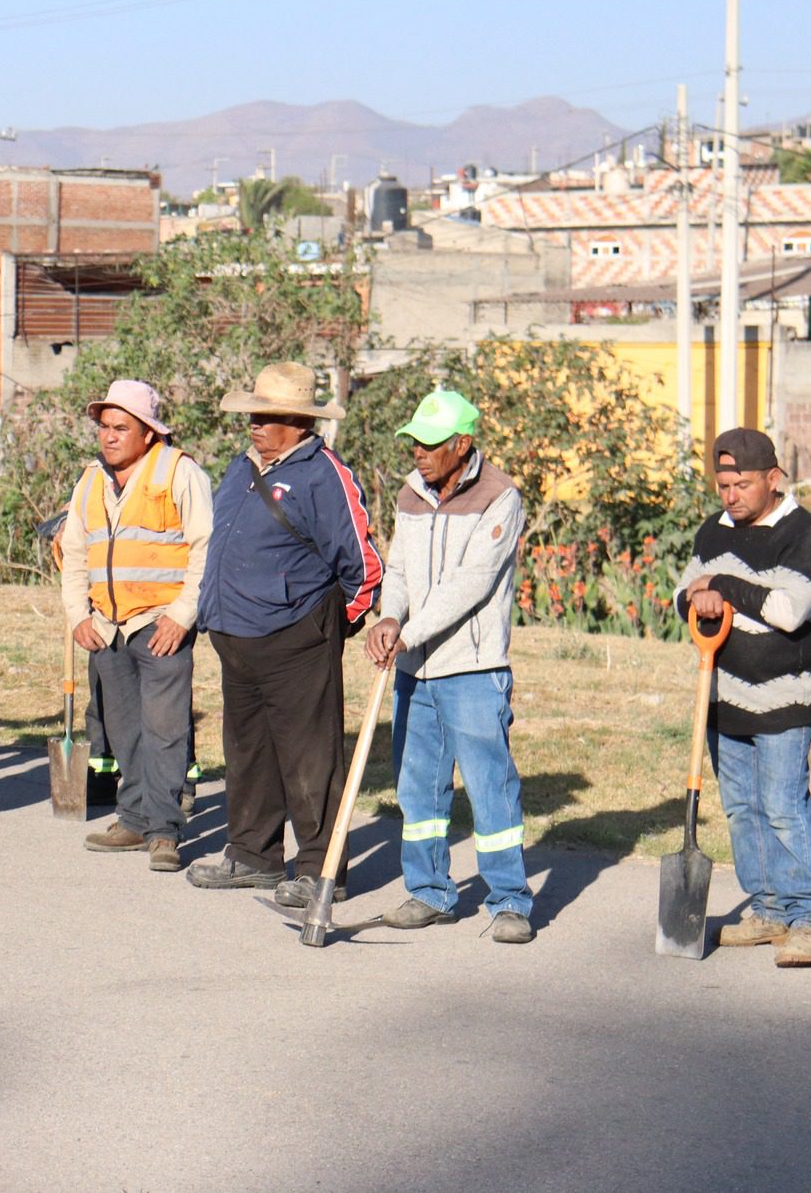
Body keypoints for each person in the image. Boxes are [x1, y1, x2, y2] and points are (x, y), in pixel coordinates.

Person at [188, 362, 380, 899]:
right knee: (248, 751)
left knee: (310, 758)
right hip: (237, 640)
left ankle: (320, 870)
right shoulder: (239, 469)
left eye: (266, 415)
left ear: (298, 420)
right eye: (252, 412)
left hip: (299, 637)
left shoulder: (325, 475)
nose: (253, 422)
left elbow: (363, 566)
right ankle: (253, 854)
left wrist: (327, 626)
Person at [364, 390, 535, 944]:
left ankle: (509, 900)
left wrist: (407, 630)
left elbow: (471, 583)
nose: (418, 452)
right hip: (415, 669)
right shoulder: (411, 495)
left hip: (473, 667)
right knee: (418, 790)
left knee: (489, 786)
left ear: (463, 444)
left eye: (431, 443)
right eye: (414, 440)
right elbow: (399, 569)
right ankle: (429, 892)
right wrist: (390, 617)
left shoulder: (499, 497)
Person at [674, 428, 811, 968]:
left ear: (773, 478)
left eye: (741, 484)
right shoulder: (713, 530)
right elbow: (684, 594)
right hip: (723, 694)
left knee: (784, 808)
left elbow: (789, 612)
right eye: (723, 485)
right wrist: (699, 596)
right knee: (743, 809)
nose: (730, 496)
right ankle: (768, 909)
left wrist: (723, 588)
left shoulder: (805, 534)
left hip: (785, 698)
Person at [57, 379, 212, 873]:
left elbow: (207, 552)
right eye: (104, 426)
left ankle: (164, 832)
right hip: (107, 628)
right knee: (124, 731)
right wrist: (78, 615)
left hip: (161, 624)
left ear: (148, 432)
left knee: (165, 731)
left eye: (120, 427)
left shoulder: (180, 474)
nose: (109, 436)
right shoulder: (90, 481)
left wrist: (181, 616)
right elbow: (74, 552)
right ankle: (134, 817)